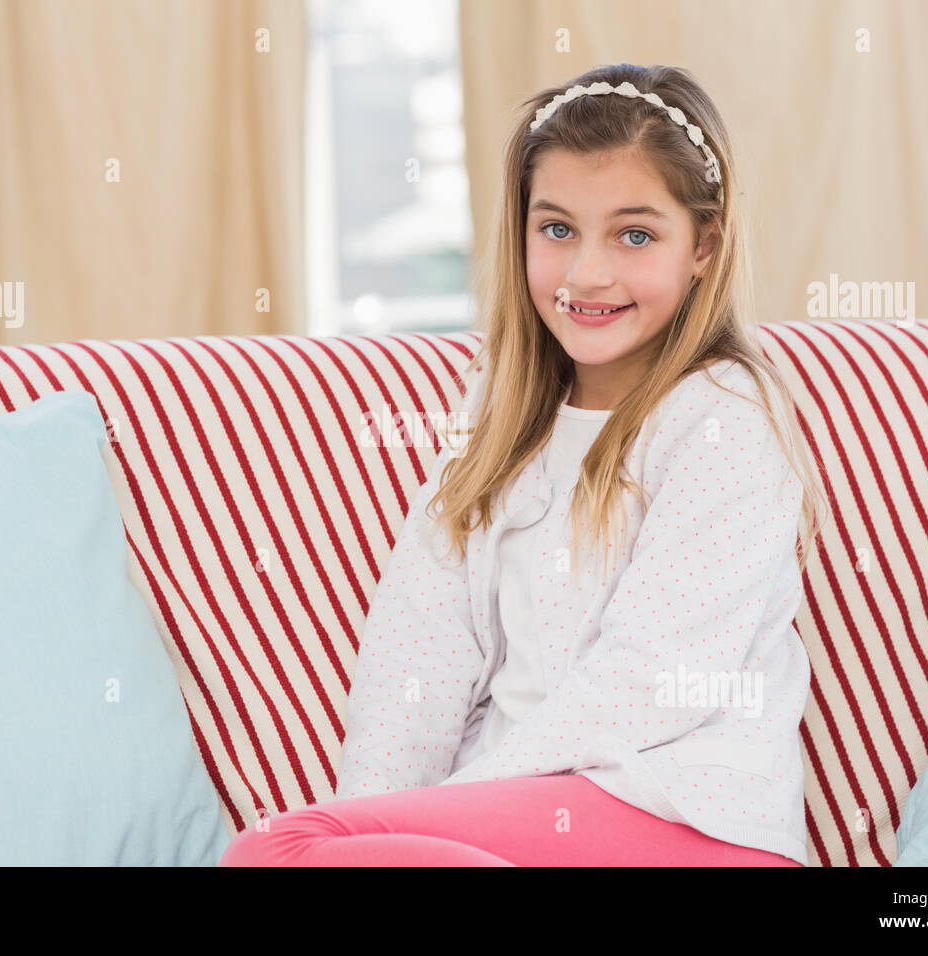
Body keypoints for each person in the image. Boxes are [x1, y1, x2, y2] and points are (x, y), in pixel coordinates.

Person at [221, 62, 828, 867]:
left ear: (703, 248)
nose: (587, 274)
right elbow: (415, 659)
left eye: (635, 234)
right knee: (306, 851)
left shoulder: (722, 419)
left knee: (282, 849)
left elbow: (648, 683)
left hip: (682, 816)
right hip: (520, 825)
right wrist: (376, 825)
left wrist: (434, 814)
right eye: (557, 229)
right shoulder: (496, 415)